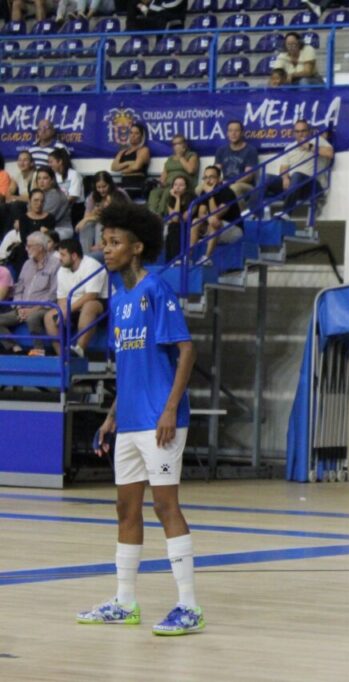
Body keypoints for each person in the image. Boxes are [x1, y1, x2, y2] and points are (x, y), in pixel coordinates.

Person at [76, 201, 202, 636]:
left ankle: (189, 606)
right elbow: (133, 364)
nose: (105, 249)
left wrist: (169, 409)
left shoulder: (156, 289)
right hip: (130, 419)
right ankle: (125, 601)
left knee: (166, 505)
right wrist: (113, 414)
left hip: (160, 419)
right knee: (124, 506)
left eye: (114, 243)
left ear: (137, 247)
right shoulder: (120, 294)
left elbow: (186, 351)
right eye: (104, 242)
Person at [43, 238, 107, 357]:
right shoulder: (62, 270)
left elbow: (92, 294)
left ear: (74, 256)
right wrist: (63, 311)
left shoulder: (92, 265)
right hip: (73, 305)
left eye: (63, 254)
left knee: (89, 306)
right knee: (49, 316)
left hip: (101, 303)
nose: (59, 258)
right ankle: (63, 356)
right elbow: (61, 297)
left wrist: (68, 310)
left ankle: (79, 349)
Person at [0, 231, 60, 355]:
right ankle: (14, 348)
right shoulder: (27, 264)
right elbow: (20, 288)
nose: (26, 249)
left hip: (43, 307)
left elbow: (53, 294)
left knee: (32, 318)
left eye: (29, 246)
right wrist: (19, 306)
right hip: (22, 308)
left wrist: (33, 309)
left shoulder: (55, 264)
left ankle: (39, 350)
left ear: (40, 247)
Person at [264, 120, 334, 214]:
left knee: (297, 175)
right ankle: (254, 212)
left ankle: (286, 213)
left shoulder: (317, 140)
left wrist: (309, 146)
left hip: (312, 186)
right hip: (293, 185)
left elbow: (330, 154)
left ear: (308, 131)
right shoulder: (289, 147)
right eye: (297, 131)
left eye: (303, 131)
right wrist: (285, 178)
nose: (300, 134)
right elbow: (283, 167)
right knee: (266, 178)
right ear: (294, 134)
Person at [190, 166, 242, 263]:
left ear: (219, 179)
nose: (208, 181)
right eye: (205, 178)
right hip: (215, 226)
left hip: (234, 229)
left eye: (211, 177)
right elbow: (201, 213)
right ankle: (188, 257)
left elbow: (217, 214)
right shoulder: (204, 192)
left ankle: (207, 258)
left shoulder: (227, 192)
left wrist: (210, 195)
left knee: (214, 221)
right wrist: (208, 217)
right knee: (196, 221)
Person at [77, 171, 131, 262]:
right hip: (101, 220)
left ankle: (101, 253)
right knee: (85, 225)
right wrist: (91, 215)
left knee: (100, 225)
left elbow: (125, 213)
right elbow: (87, 216)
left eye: (104, 186)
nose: (101, 190)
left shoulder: (119, 193)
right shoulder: (93, 196)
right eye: (99, 187)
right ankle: (85, 257)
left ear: (110, 184)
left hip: (112, 224)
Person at [147, 135, 199, 216]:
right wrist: (161, 182)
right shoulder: (170, 158)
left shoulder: (191, 155)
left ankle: (162, 216)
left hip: (182, 186)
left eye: (179, 143)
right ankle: (153, 216)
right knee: (154, 192)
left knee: (168, 192)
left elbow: (191, 170)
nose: (176, 146)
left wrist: (180, 156)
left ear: (185, 144)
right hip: (168, 185)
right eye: (174, 144)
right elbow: (163, 176)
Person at [214, 121, 259, 203]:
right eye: (230, 131)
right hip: (225, 183)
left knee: (235, 188)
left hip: (245, 185)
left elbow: (249, 176)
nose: (233, 133)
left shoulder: (250, 150)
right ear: (227, 133)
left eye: (236, 131)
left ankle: (243, 214)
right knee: (200, 189)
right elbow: (215, 171)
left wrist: (230, 183)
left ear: (242, 133)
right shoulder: (221, 150)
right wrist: (215, 181)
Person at [110, 123, 152, 198]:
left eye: (136, 133)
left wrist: (123, 170)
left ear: (141, 136)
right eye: (131, 133)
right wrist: (129, 163)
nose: (133, 135)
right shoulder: (123, 152)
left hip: (137, 183)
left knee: (119, 197)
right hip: (124, 183)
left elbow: (136, 167)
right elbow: (114, 167)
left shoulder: (143, 150)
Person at [163, 175, 196, 262]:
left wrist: (177, 198)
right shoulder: (171, 199)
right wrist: (177, 199)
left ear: (186, 187)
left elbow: (183, 218)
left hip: (190, 226)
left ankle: (176, 259)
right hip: (176, 226)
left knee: (174, 227)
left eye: (181, 185)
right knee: (172, 227)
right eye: (175, 184)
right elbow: (175, 218)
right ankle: (172, 261)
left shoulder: (192, 198)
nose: (177, 187)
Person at [34, 167, 72, 240]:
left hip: (61, 228)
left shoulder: (55, 195)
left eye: (45, 178)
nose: (41, 181)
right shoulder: (38, 194)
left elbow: (44, 217)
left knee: (38, 238)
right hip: (43, 227)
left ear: (52, 180)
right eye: (39, 178)